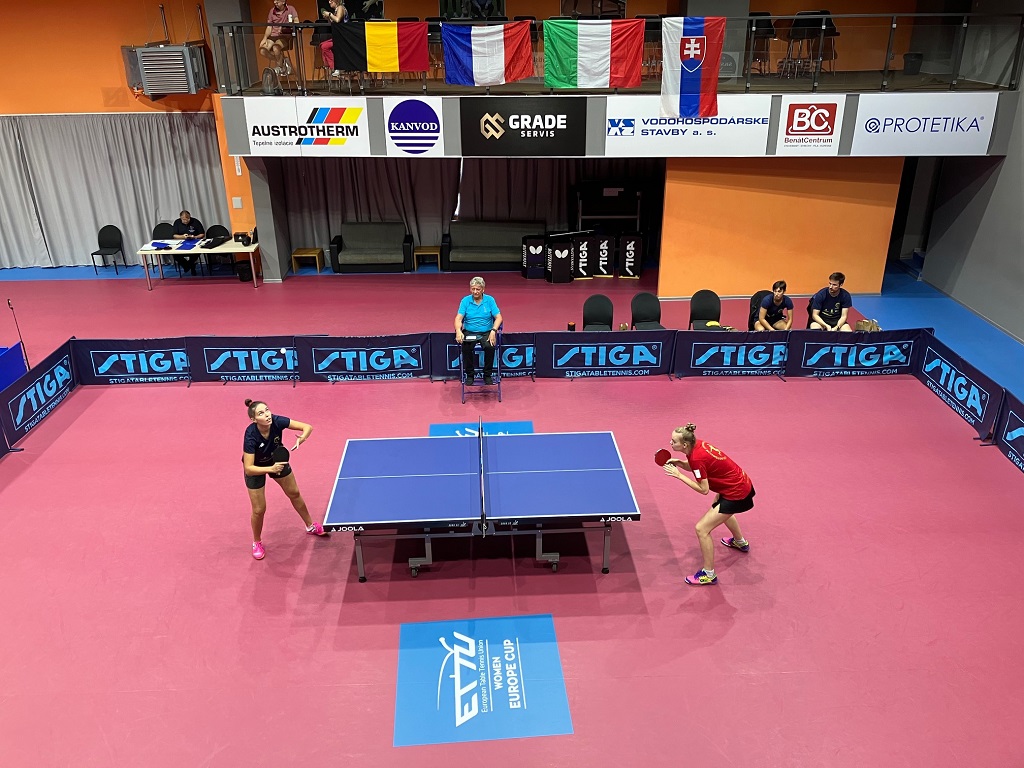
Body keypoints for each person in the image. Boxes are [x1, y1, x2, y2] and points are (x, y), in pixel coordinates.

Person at [662, 423, 755, 586]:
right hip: (739, 483)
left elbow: (703, 489)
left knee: (702, 529)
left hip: (737, 492)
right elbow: (698, 466)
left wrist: (679, 475)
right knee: (719, 507)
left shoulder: (696, 458)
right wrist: (680, 463)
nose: (670, 443)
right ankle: (740, 542)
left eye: (673, 441)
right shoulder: (697, 446)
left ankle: (708, 574)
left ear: (685, 444)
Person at [242, 398, 327, 561]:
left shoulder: (277, 421)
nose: (267, 415)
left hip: (276, 460)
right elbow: (249, 468)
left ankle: (310, 526)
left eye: (267, 410)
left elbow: (307, 427)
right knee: (259, 509)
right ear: (254, 419)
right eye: (261, 413)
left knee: (294, 493)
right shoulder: (251, 435)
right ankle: (256, 542)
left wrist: (302, 437)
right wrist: (270, 469)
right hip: (257, 468)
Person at [454, 276, 502, 385]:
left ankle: (487, 375)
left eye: (478, 289)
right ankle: (470, 375)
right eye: (473, 289)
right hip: (470, 331)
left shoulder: (490, 300)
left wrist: (493, 331)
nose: (475, 292)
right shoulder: (465, 301)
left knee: (490, 347)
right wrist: (458, 330)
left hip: (486, 331)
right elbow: (458, 318)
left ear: (483, 289)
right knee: (466, 347)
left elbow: (499, 317)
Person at [259, 0, 299, 76]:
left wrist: (291, 25)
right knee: (262, 50)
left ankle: (280, 67)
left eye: (277, 0)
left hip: (284, 36)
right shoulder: (272, 11)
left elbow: (296, 20)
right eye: (274, 0)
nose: (275, 2)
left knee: (276, 47)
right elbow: (269, 27)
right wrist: (264, 38)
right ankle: (282, 61)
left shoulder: (290, 9)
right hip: (273, 36)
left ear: (283, 1)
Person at [319, 0, 348, 76]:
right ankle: (330, 65)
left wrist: (329, 14)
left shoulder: (340, 8)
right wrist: (328, 18)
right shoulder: (336, 10)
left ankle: (336, 66)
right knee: (322, 45)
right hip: (337, 37)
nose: (329, 2)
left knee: (325, 46)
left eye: (331, 0)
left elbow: (337, 20)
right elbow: (334, 23)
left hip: (343, 38)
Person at [172, 210, 205, 275]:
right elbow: (174, 235)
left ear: (190, 217)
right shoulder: (177, 222)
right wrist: (182, 236)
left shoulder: (195, 221)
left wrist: (195, 237)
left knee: (195, 254)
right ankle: (187, 266)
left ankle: (190, 267)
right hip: (181, 242)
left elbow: (202, 234)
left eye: (187, 219)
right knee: (175, 255)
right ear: (180, 218)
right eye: (184, 219)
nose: (186, 221)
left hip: (194, 242)